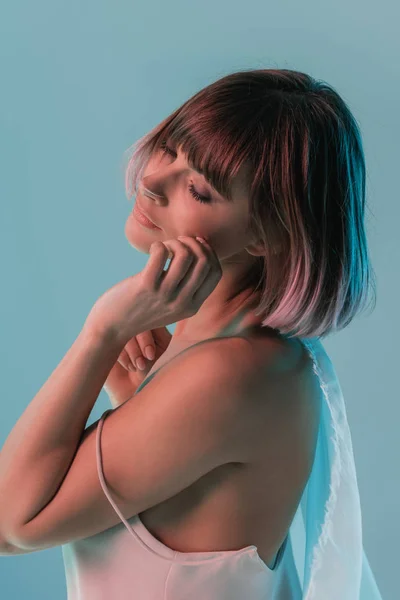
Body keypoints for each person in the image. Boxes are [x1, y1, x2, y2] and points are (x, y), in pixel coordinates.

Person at [63, 68, 383, 599]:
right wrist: (138, 399)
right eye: (169, 147)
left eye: (196, 186)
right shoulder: (233, 355)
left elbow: (11, 524)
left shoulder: (233, 371)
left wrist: (101, 330)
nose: (151, 179)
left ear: (265, 233)